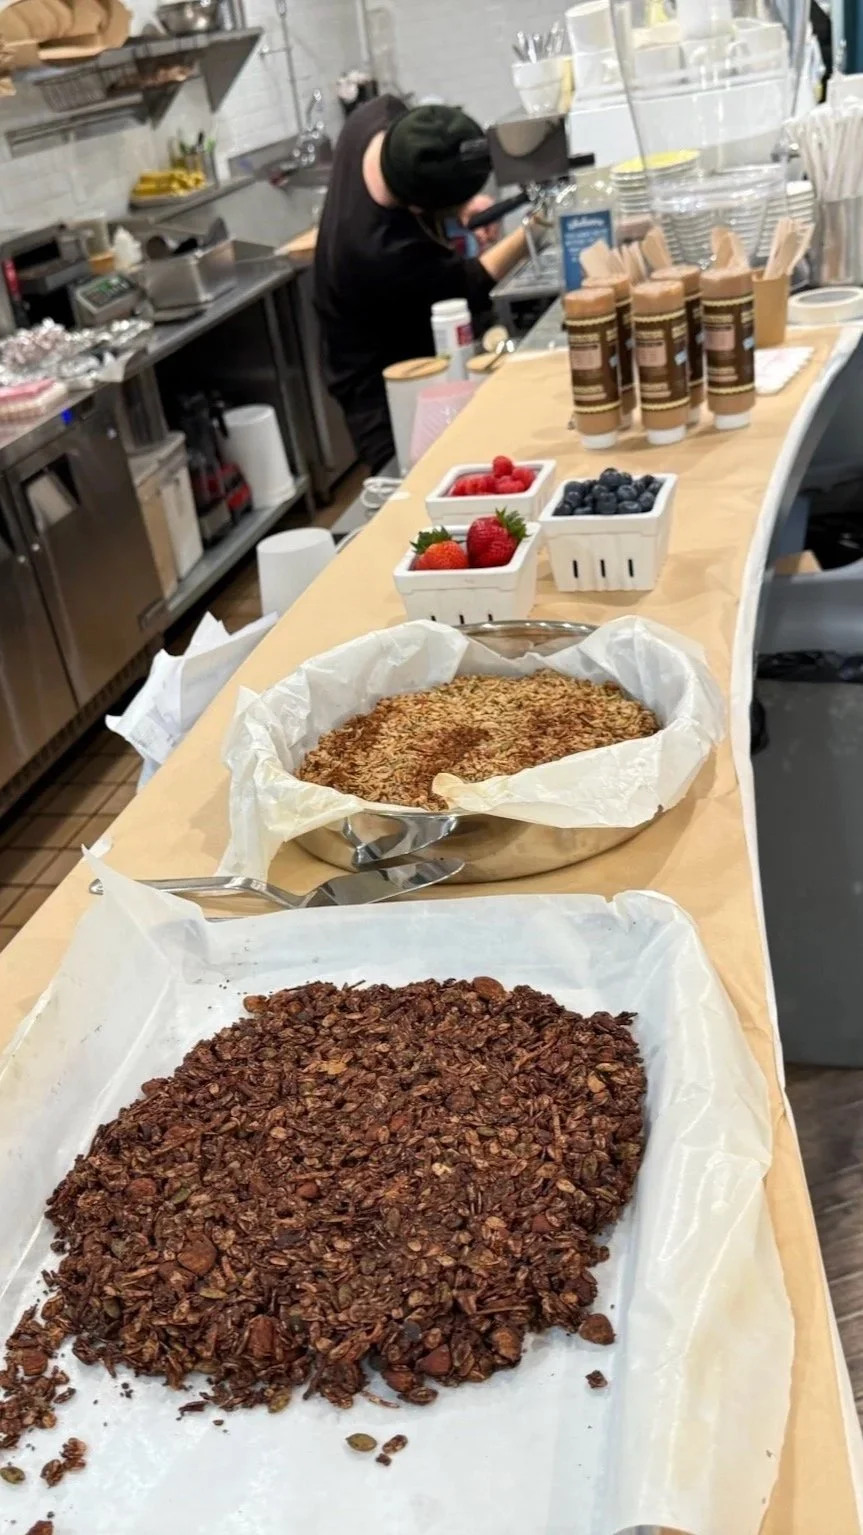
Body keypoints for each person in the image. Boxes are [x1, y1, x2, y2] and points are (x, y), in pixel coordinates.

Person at [314, 96, 536, 473]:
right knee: (413, 483)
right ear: (418, 207)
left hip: (423, 349)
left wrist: (459, 205)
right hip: (386, 392)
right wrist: (537, 229)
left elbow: (432, 148)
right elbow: (472, 282)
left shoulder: (377, 115)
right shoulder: (378, 250)